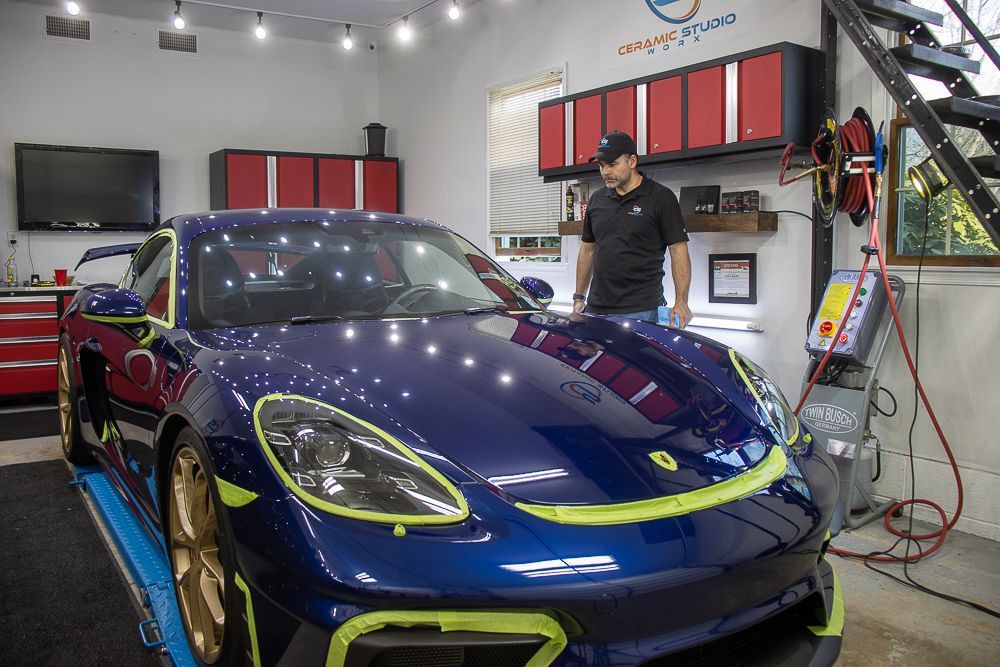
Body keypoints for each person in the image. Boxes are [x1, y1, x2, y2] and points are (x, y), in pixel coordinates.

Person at [572, 131, 692, 327]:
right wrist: (579, 297)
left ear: (632, 161)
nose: (605, 172)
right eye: (601, 166)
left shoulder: (661, 197)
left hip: (642, 309)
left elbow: (678, 249)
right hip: (596, 308)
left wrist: (681, 302)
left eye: (612, 164)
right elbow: (587, 249)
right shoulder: (597, 199)